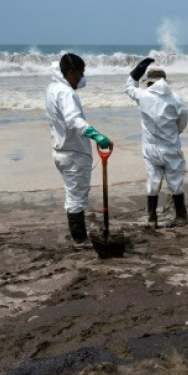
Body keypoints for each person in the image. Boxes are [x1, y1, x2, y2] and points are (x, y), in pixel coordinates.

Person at [45, 53, 112, 247]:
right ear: (70, 72)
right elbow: (74, 120)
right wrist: (97, 135)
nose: (82, 77)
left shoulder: (53, 88)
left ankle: (78, 234)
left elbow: (80, 85)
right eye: (80, 73)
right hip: (73, 153)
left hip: (61, 150)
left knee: (72, 194)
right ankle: (80, 239)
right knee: (76, 198)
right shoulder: (66, 93)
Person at [125, 60, 188, 227]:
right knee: (175, 182)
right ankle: (181, 216)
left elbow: (129, 87)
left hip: (150, 148)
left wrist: (138, 69)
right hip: (171, 147)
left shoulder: (143, 96)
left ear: (149, 82)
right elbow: (183, 118)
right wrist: (177, 131)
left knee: (153, 181)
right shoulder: (175, 98)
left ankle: (152, 218)